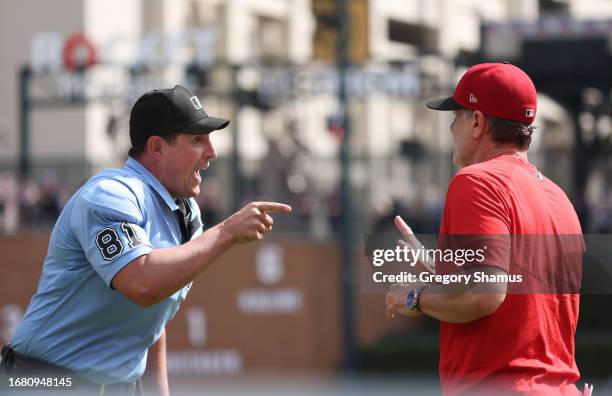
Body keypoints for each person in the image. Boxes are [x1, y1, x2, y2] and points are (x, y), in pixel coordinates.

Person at [0, 85, 291, 395]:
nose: (212, 152)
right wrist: (225, 232)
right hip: (43, 381)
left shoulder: (184, 209)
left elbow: (150, 322)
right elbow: (143, 283)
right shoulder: (110, 194)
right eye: (197, 140)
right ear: (156, 147)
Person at [385, 63, 590, 395]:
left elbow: (485, 295)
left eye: (457, 115)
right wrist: (445, 271)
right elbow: (526, 302)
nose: (451, 126)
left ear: (477, 122)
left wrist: (413, 295)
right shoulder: (558, 198)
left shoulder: (476, 181)